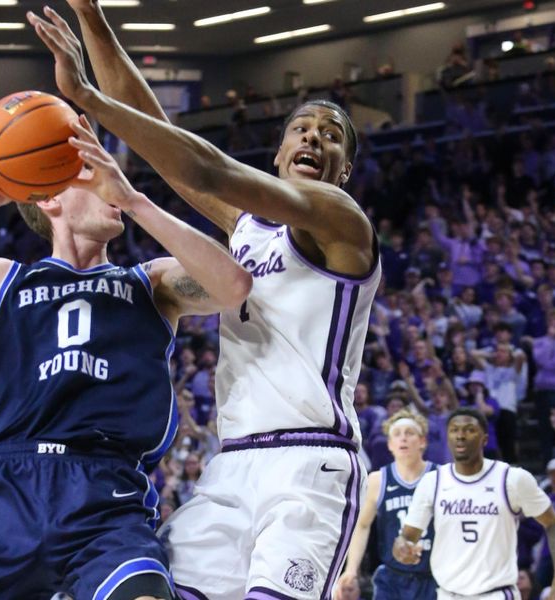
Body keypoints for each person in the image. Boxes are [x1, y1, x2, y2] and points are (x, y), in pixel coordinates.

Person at [29, 3, 379, 598]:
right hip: (232, 462)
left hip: (310, 463)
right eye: (301, 128)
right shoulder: (248, 229)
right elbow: (156, 127)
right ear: (278, 154)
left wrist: (87, 98)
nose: (314, 138)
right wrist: (93, 20)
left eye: (331, 136)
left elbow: (206, 169)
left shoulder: (342, 221)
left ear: (344, 171)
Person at [0, 114, 251, 598]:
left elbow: (234, 286)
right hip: (3, 491)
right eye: (88, 173)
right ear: (50, 196)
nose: (107, 177)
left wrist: (135, 201)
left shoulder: (151, 282)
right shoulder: (4, 279)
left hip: (106, 494)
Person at [393, 408, 555, 599]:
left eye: (469, 430)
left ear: (484, 439)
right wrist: (401, 548)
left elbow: (553, 523)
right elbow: (408, 537)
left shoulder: (512, 479)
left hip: (497, 594)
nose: (460, 436)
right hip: (447, 594)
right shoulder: (432, 482)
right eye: (454, 430)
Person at [334, 409, 437, 600]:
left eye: (409, 433)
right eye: (397, 434)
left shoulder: (439, 477)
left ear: (422, 441)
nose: (403, 438)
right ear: (390, 445)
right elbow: (362, 525)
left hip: (433, 575)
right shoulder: (378, 480)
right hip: (392, 578)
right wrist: (351, 570)